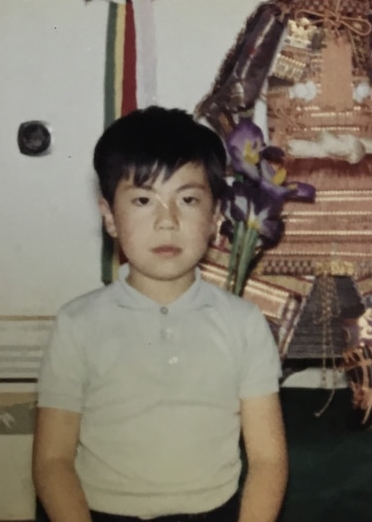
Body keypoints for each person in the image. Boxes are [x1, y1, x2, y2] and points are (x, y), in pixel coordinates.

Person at [32, 106, 288, 522]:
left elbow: (268, 460)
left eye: (187, 200)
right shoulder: (78, 324)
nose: (167, 221)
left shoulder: (243, 324)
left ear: (215, 217)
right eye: (143, 200)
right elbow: (52, 461)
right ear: (110, 217)